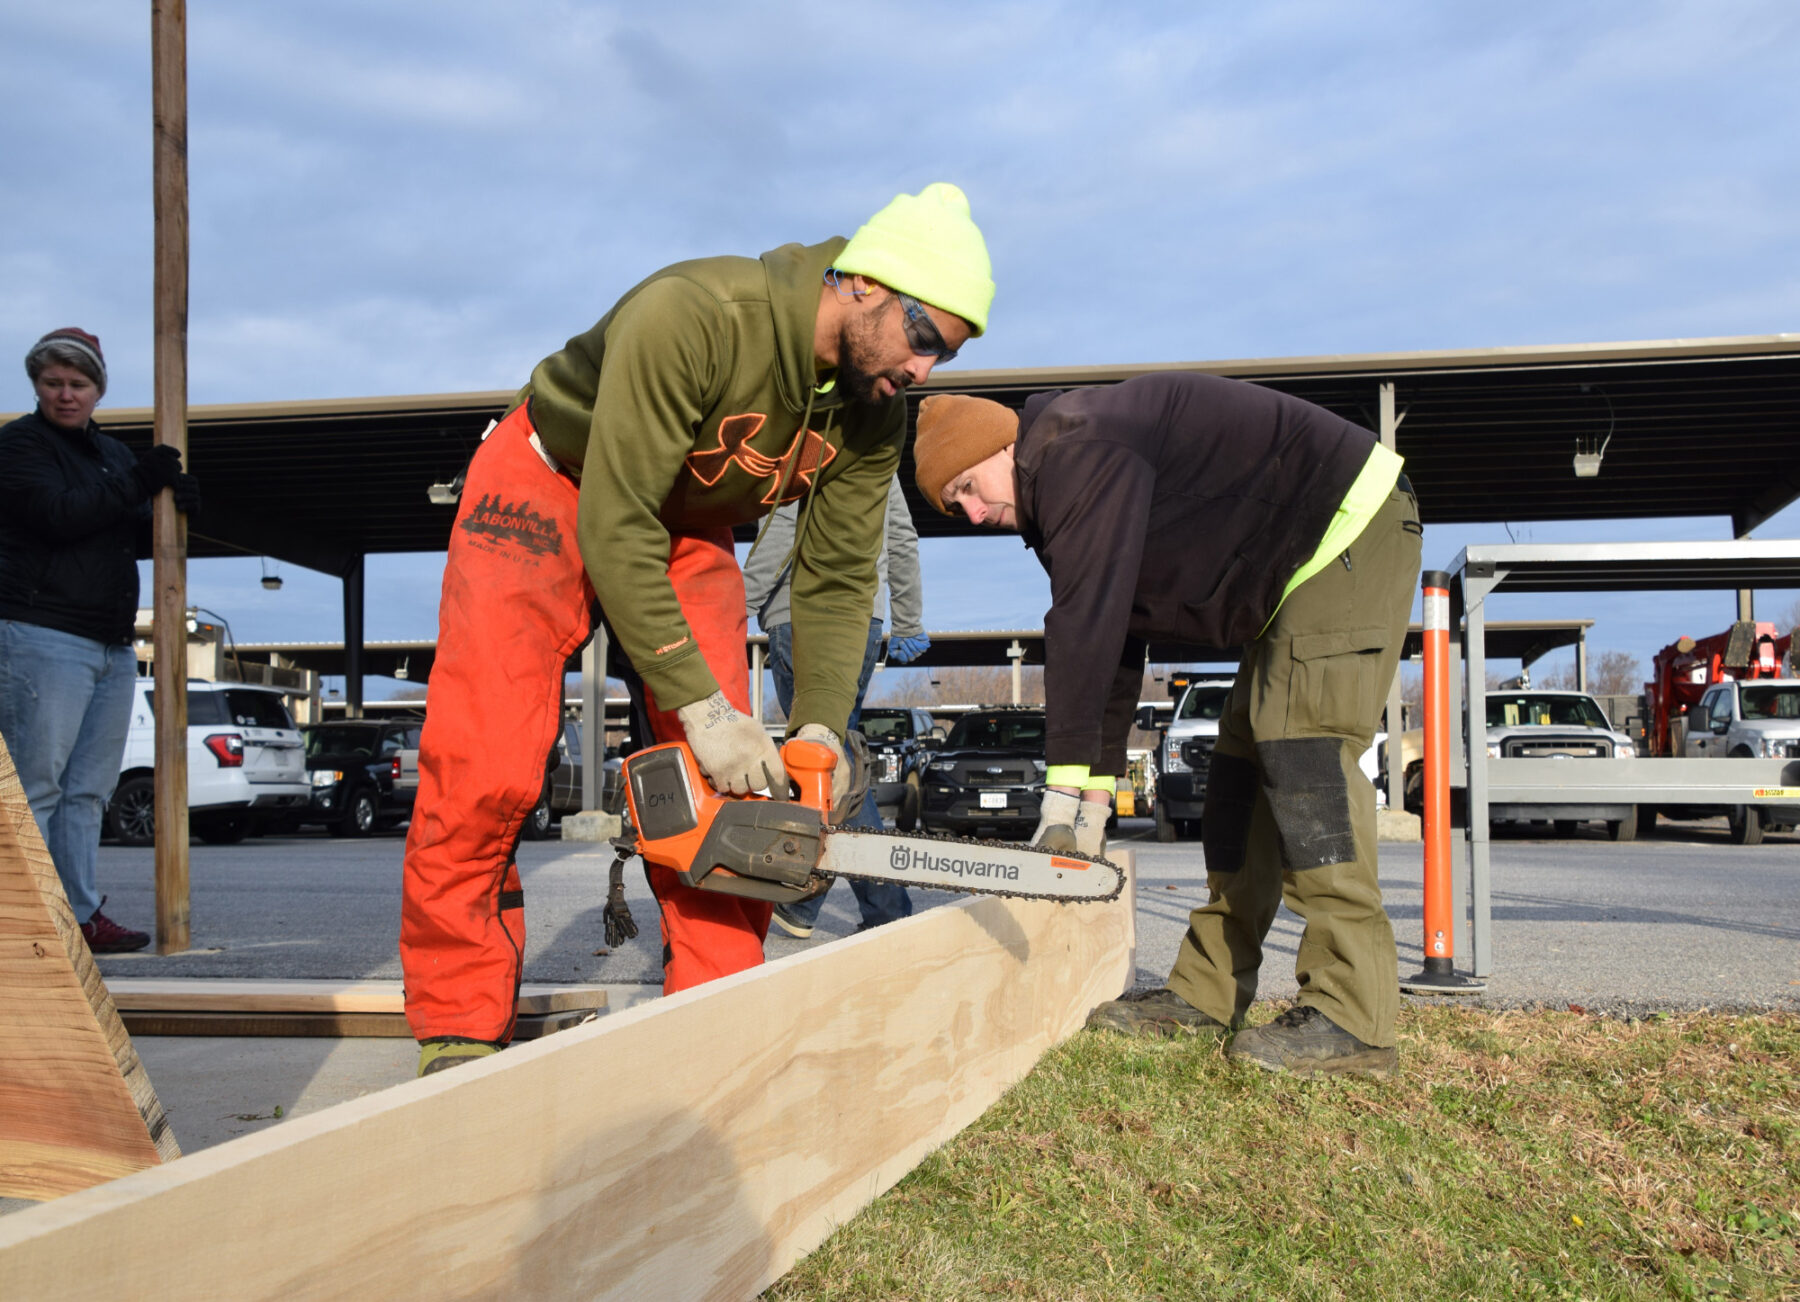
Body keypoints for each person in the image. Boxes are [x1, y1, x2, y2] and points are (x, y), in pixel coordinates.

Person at [401, 185, 993, 1075]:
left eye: (941, 356)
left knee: (735, 787)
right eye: (924, 341)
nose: (924, 372)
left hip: (685, 525)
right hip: (550, 483)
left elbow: (834, 578)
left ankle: (715, 1015)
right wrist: (700, 707)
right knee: (483, 760)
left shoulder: (872, 415)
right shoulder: (696, 315)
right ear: (865, 286)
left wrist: (821, 731)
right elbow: (615, 518)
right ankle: (458, 1022)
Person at [911, 372, 1420, 1078]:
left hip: (1345, 524)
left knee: (1303, 754)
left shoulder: (1075, 445)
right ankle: (1208, 993)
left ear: (1003, 448)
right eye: (952, 506)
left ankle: (1354, 1018)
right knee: (1239, 774)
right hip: (1294, 565)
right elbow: (1116, 637)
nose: (968, 513)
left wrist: (1058, 800)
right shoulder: (1064, 476)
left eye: (966, 487)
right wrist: (1095, 792)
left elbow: (1083, 626)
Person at [0, 328, 200, 952]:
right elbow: (59, 515)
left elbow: (128, 531)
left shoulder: (110, 455)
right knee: (37, 785)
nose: (65, 394)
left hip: (111, 645)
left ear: (98, 390)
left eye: (78, 384)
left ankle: (78, 916)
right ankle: (24, 922)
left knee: (87, 790)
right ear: (37, 385)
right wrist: (139, 482)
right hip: (41, 633)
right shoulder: (18, 447)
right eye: (53, 383)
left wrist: (177, 506)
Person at [743, 475, 930, 938]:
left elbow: (784, 529)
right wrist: (907, 619)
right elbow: (902, 535)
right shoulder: (879, 457)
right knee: (835, 760)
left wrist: (734, 602)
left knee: (821, 764)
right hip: (863, 619)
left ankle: (855, 903)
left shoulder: (804, 440)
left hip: (802, 616)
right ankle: (812, 903)